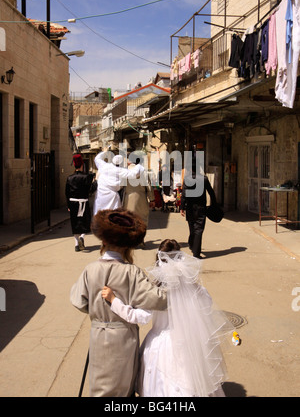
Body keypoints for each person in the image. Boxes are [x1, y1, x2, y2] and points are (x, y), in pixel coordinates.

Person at [102, 239, 233, 397]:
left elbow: (137, 316)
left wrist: (113, 300)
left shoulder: (156, 293)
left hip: (161, 345)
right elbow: (207, 303)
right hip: (188, 341)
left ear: (158, 262)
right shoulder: (195, 288)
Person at [70, 209, 167, 397]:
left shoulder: (90, 270)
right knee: (123, 387)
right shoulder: (132, 273)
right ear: (128, 247)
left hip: (98, 334)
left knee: (100, 385)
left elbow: (78, 301)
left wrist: (98, 312)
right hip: (124, 336)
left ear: (103, 242)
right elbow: (158, 299)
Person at [93, 149, 144, 214]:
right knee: (113, 214)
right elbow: (134, 174)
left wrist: (104, 152)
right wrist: (139, 165)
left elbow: (97, 159)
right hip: (112, 196)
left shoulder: (104, 166)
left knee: (100, 213)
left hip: (100, 193)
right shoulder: (119, 171)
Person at [180, 169, 217, 258]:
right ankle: (196, 253)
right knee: (199, 229)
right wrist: (214, 204)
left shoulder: (187, 179)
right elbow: (211, 192)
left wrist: (182, 207)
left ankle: (192, 245)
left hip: (190, 208)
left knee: (192, 228)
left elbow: (184, 194)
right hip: (201, 208)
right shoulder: (204, 179)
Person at [123, 156, 155, 243]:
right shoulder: (143, 171)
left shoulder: (125, 171)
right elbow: (148, 187)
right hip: (141, 199)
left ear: (129, 161)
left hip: (128, 199)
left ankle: (130, 240)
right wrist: (152, 199)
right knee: (142, 220)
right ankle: (141, 239)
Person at [65, 154, 94, 252]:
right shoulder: (87, 177)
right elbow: (91, 189)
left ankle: (76, 244)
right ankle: (82, 237)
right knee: (86, 222)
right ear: (82, 165)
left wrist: (68, 205)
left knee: (75, 223)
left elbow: (67, 193)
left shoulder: (69, 178)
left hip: (72, 203)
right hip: (84, 202)